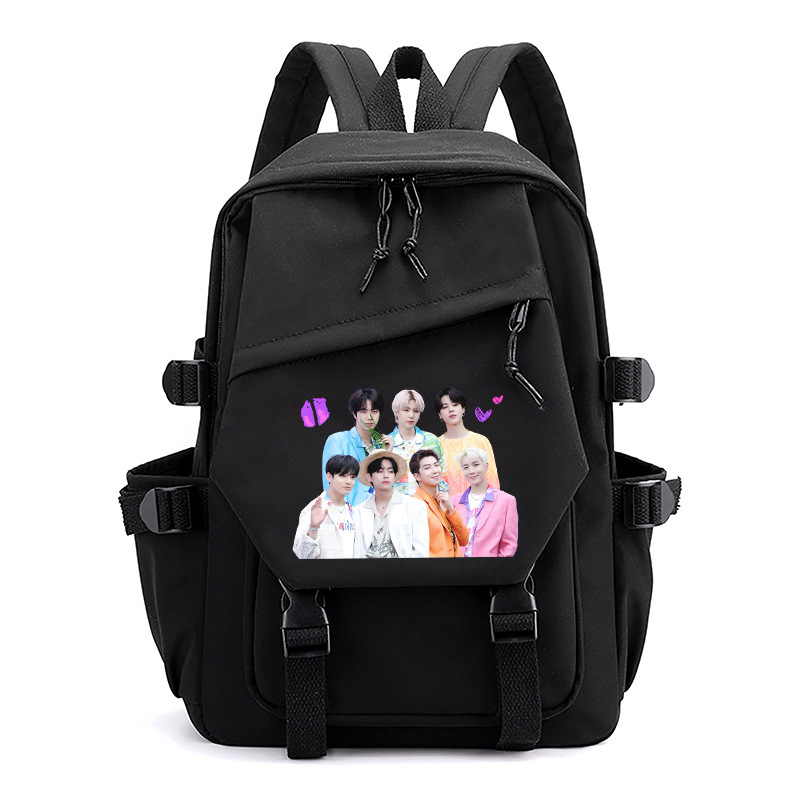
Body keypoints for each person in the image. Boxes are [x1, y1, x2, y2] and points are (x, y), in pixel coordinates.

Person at [321, 388, 395, 505]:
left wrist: (387, 455)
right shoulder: (337, 440)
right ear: (354, 414)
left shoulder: (381, 445)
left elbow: (386, 484)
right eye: (363, 411)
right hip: (350, 512)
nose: (369, 417)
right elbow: (330, 486)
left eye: (374, 411)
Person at [352, 450, 429, 558]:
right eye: (380, 471)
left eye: (390, 471)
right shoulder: (358, 511)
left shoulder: (415, 506)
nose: (386, 475)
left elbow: (421, 551)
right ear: (369, 476)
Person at [452, 447, 518, 557]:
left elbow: (509, 544)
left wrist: (496, 566)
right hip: (457, 564)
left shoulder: (506, 501)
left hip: (488, 565)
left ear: (486, 466)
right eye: (466, 467)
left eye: (476, 465)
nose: (471, 471)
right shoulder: (454, 501)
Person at [293, 455, 362, 559]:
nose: (348, 481)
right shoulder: (314, 509)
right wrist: (313, 528)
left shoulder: (354, 512)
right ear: (329, 477)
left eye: (352, 477)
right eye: (342, 475)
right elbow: (301, 554)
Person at [435, 387, 500, 497]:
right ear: (440, 414)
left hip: (479, 505)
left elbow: (492, 481)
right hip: (446, 506)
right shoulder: (435, 445)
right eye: (445, 407)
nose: (451, 409)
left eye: (455, 405)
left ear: (463, 409)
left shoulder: (480, 441)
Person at [409, 449, 470, 558]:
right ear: (417, 476)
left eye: (436, 465)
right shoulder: (415, 505)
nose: (435, 471)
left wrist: (451, 509)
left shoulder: (443, 501)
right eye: (427, 468)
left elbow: (464, 540)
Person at [388, 388, 448, 496]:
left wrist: (444, 501)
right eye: (406, 410)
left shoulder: (432, 440)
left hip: (428, 502)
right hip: (395, 503)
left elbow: (442, 476)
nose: (411, 415)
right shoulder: (385, 443)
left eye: (416, 411)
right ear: (396, 412)